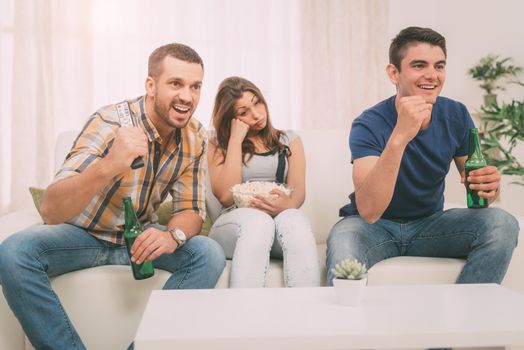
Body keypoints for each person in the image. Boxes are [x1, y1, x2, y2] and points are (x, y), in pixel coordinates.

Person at [0, 43, 226, 349]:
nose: (187, 97)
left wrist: (172, 235)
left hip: (138, 240)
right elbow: (51, 210)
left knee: (208, 253)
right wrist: (109, 165)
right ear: (151, 85)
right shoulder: (108, 123)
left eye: (195, 86)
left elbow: (191, 210)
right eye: (176, 84)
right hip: (82, 237)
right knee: (14, 252)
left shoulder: (194, 136)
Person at [326, 27, 519, 287]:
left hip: (430, 224)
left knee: (502, 223)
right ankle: (345, 327)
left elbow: (479, 192)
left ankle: (465, 319)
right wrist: (400, 136)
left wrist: (490, 188)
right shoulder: (368, 123)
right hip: (372, 227)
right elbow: (370, 211)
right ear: (394, 73)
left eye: (439, 66)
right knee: (343, 242)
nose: (432, 75)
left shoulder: (456, 114)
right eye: (419, 65)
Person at [207, 76, 320, 288]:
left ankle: (306, 313)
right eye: (243, 112)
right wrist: (235, 140)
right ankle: (246, 315)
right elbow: (224, 195)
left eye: (257, 102)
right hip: (233, 225)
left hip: (278, 221)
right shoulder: (217, 144)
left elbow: (298, 192)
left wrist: (287, 205)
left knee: (295, 220)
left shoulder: (289, 140)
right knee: (259, 222)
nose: (257, 114)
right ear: (232, 118)